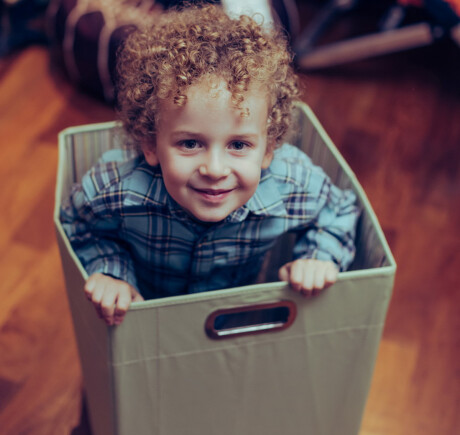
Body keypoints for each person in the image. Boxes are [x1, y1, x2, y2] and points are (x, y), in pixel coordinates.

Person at [61, 3, 359, 326]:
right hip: (145, 326)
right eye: (191, 143)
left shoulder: (290, 183)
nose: (215, 169)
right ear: (150, 143)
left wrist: (317, 258)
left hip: (235, 323)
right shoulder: (118, 188)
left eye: (239, 145)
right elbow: (78, 223)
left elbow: (339, 211)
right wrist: (112, 272)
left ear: (269, 149)